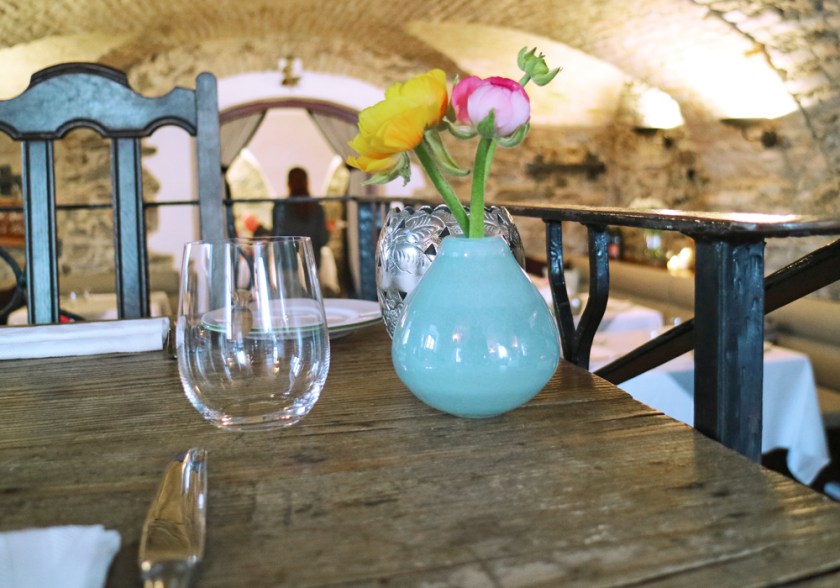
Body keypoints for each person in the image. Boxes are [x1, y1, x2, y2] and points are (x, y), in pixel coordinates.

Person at [272, 167, 329, 268]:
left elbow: (277, 236)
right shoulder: (317, 207)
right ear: (307, 183)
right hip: (311, 262)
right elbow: (323, 238)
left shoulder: (280, 207)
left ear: (288, 183)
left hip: (287, 263)